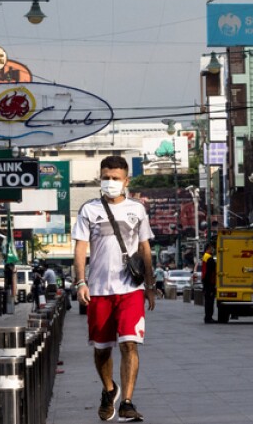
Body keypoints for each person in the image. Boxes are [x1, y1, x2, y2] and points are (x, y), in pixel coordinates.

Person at [73, 156, 154, 422]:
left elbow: (144, 249)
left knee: (129, 343)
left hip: (130, 289)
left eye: (116, 178)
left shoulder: (137, 209)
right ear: (100, 178)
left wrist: (150, 286)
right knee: (101, 348)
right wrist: (81, 282)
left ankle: (127, 402)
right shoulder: (89, 210)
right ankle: (109, 390)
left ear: (126, 181)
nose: (110, 183)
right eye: (106, 177)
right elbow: (81, 248)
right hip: (98, 290)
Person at [202, 243, 217, 323]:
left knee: (208, 301)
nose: (212, 250)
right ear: (208, 248)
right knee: (209, 302)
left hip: (207, 283)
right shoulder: (209, 258)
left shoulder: (205, 257)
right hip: (209, 283)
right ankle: (208, 317)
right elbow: (210, 272)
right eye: (211, 248)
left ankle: (208, 317)